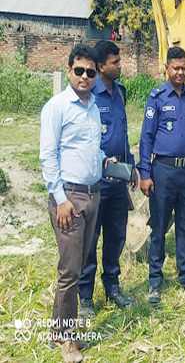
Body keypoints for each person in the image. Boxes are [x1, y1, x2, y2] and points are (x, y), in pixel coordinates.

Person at [40, 44, 113, 363]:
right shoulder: (56, 107)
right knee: (70, 270)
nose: (85, 77)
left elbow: (88, 148)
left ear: (96, 75)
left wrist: (102, 161)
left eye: (90, 72)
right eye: (79, 70)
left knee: (79, 265)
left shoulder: (94, 106)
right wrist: (60, 199)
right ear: (69, 70)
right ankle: (68, 339)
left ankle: (58, 329)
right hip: (69, 196)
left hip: (93, 192)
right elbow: (48, 155)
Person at [138, 46, 185, 304]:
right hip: (163, 171)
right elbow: (146, 138)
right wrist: (144, 172)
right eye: (175, 68)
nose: (180, 72)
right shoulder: (157, 97)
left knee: (184, 225)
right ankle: (155, 280)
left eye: (183, 68)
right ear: (167, 67)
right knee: (158, 227)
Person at [78, 41, 138, 319]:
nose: (119, 65)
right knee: (90, 242)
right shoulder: (90, 96)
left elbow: (123, 137)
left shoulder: (120, 94)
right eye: (115, 62)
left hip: (118, 182)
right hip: (95, 183)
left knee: (116, 238)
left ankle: (112, 286)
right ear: (101, 66)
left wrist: (132, 166)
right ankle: (86, 297)